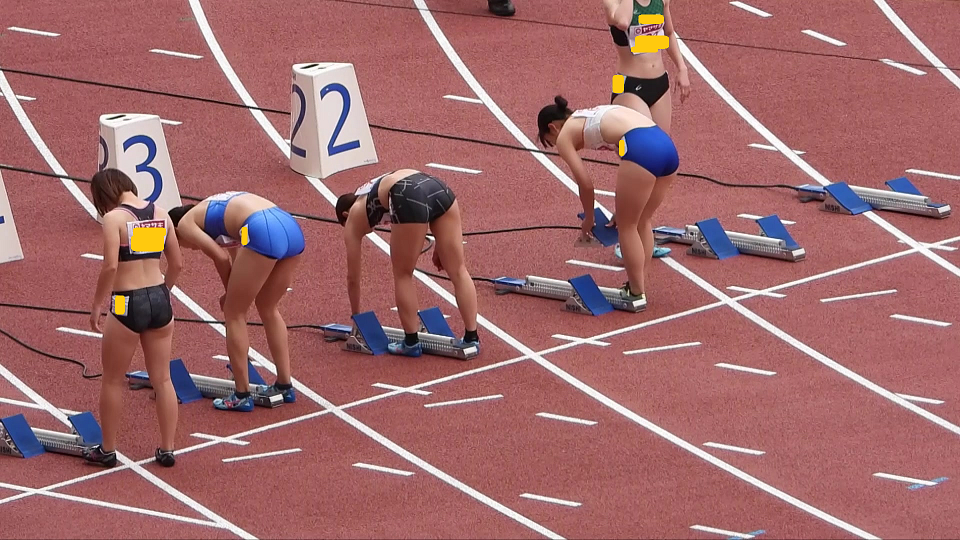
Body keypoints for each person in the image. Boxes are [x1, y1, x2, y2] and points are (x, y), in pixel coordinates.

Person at [167, 192, 304, 412]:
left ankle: (241, 395)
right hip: (289, 226)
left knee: (234, 314)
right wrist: (231, 291)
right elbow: (235, 254)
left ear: (175, 232)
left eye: (184, 245)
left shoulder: (184, 224)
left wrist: (230, 296)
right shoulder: (212, 212)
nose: (190, 248)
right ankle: (285, 385)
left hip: (262, 228)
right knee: (268, 307)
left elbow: (220, 257)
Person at [83, 168, 183, 468]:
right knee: (163, 379)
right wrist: (163, 292)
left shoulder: (114, 219)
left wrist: (97, 304)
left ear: (104, 195)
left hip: (127, 301)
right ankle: (167, 449)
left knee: (113, 380)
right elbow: (177, 264)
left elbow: (111, 267)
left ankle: (107, 449)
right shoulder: (162, 214)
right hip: (159, 298)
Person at [536, 96, 678, 304]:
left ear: (553, 127)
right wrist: (622, 209)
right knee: (642, 220)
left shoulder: (565, 136)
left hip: (642, 148)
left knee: (627, 227)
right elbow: (630, 146)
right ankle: (639, 285)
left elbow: (585, 184)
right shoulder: (591, 114)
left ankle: (636, 292)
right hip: (666, 147)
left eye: (551, 141)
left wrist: (589, 218)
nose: (556, 145)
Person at [335, 169, 479, 357]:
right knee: (459, 270)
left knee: (403, 273)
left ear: (345, 214)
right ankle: (472, 337)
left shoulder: (354, 215)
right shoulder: (367, 190)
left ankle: (411, 342)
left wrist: (357, 321)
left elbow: (353, 278)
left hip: (407, 191)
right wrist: (440, 243)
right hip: (437, 187)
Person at [604, 0, 690, 260]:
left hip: (659, 84)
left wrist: (682, 68)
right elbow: (621, 22)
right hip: (628, 85)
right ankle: (627, 235)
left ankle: (636, 225)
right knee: (642, 158)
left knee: (658, 163)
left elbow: (668, 33)